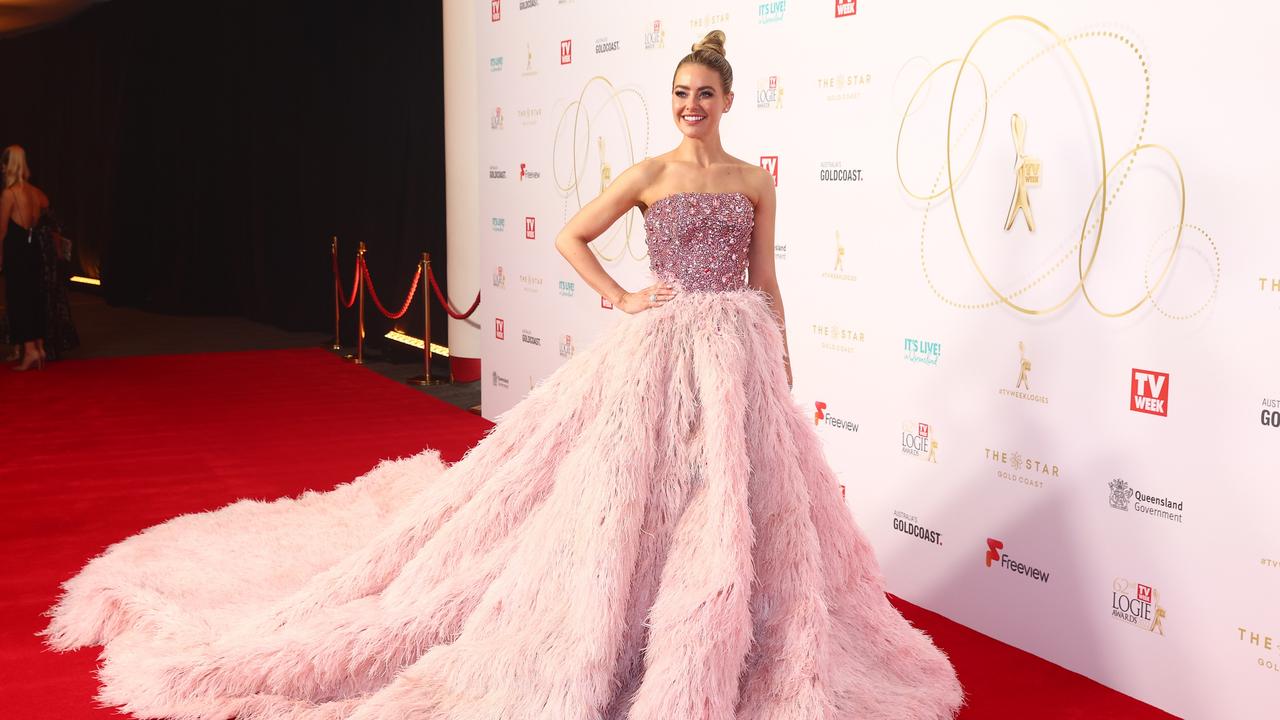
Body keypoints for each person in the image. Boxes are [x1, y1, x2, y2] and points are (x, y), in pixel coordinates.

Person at [43, 32, 963, 719]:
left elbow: (767, 278)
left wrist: (783, 354)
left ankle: (722, 633)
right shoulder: (646, 172)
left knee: (732, 496)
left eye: (704, 94)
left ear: (727, 100)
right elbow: (572, 237)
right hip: (661, 347)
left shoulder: (757, 184)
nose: (690, 104)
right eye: (680, 92)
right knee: (638, 496)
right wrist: (622, 296)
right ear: (672, 98)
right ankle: (624, 624)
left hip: (741, 353)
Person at [1, 145, 50, 371]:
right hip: (33, 248)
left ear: (7, 165)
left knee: (19, 299)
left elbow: (1, 232)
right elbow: (45, 203)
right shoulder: (33, 191)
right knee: (34, 296)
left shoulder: (9, 193)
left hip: (16, 249)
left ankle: (29, 350)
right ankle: (39, 347)